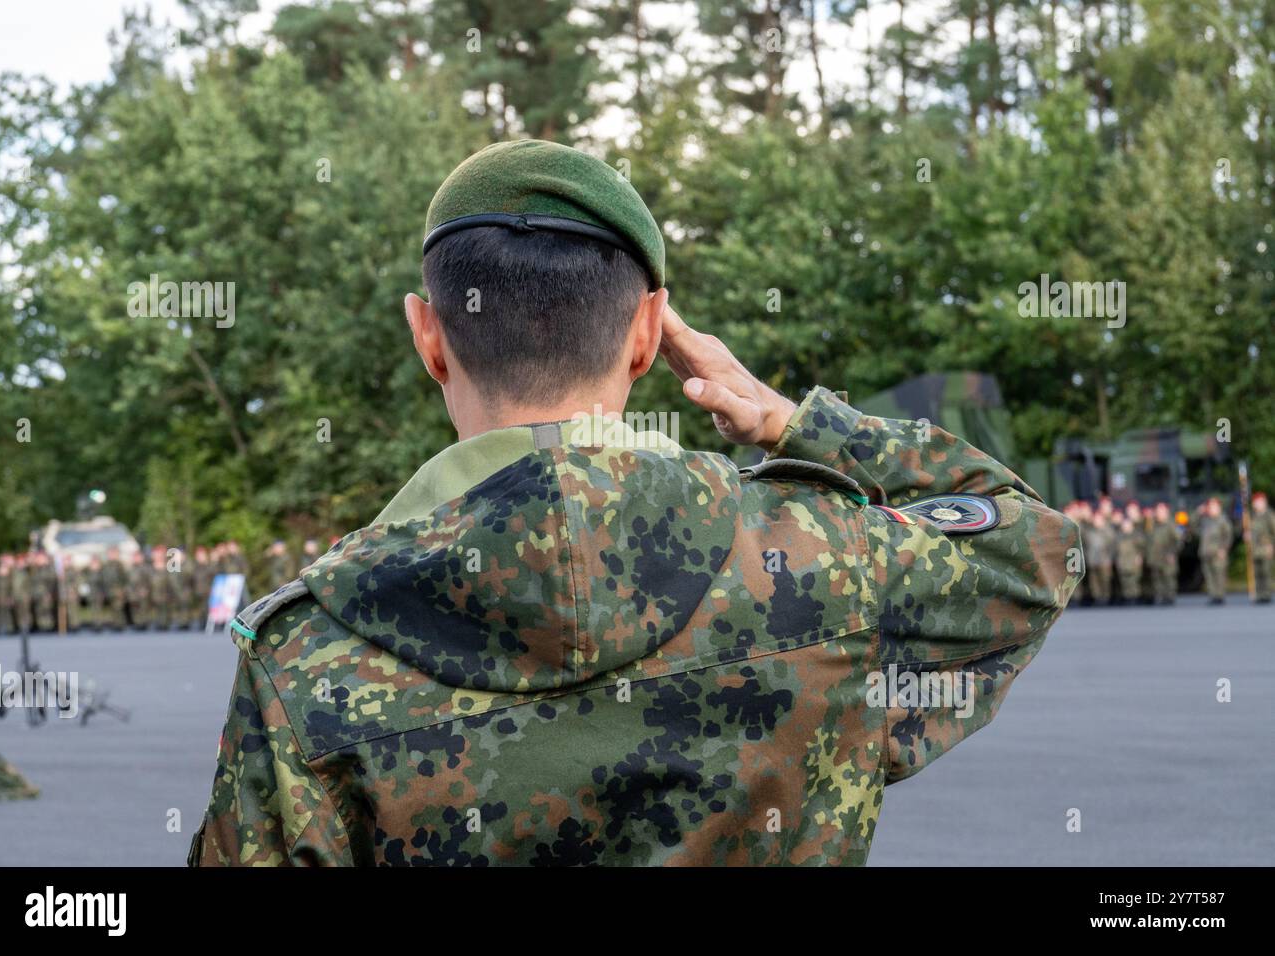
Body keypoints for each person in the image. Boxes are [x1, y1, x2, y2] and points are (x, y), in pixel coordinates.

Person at [190, 140, 1081, 867]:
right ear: (649, 333)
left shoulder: (306, 654)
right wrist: (793, 423)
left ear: (431, 336)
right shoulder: (825, 564)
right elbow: (1036, 550)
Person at [1197, 497, 1233, 605]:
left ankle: (1219, 596)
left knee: (1219, 575)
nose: (1211, 509)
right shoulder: (1205, 520)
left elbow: (1228, 536)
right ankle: (1213, 595)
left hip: (1218, 552)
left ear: (1219, 508)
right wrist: (1198, 513)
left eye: (1214, 506)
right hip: (1206, 552)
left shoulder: (1223, 521)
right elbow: (1193, 528)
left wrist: (1224, 549)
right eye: (1210, 507)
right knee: (1209, 575)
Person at [1146, 502, 1182, 604]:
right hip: (1156, 556)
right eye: (1158, 511)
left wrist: (1172, 552)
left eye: (1162, 511)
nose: (1159, 513)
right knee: (1157, 578)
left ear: (1167, 512)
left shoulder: (1171, 525)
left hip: (1167, 556)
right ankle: (1160, 596)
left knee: (1169, 577)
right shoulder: (1152, 524)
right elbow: (1147, 536)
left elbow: (1178, 540)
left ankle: (1170, 597)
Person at [1247, 492, 1275, 603]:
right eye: (1255, 502)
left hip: (1265, 548)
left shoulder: (1269, 515)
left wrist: (1271, 545)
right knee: (1257, 573)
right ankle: (1259, 595)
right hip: (1254, 549)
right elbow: (1251, 531)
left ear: (1264, 502)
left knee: (1266, 572)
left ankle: (1266, 594)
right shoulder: (1252, 516)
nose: (1257, 504)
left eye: (1259, 502)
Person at [1083, 511, 1115, 604]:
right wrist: (1087, 555)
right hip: (1092, 560)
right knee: (1094, 581)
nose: (1096, 521)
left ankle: (1106, 598)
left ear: (1103, 520)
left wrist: (1110, 557)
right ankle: (1097, 598)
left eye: (1099, 519)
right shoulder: (1089, 532)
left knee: (1105, 580)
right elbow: (1085, 545)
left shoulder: (1108, 531)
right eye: (1095, 519)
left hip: (1104, 560)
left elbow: (1112, 546)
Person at [1114, 516, 1144, 603]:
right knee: (1124, 580)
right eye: (1124, 525)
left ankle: (1134, 597)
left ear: (1131, 526)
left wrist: (1139, 556)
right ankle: (1127, 597)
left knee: (1134, 580)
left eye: (1127, 525)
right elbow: (1116, 550)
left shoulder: (1136, 536)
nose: (1126, 527)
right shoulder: (1119, 536)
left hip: (1133, 561)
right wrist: (1117, 559)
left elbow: (1142, 547)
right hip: (1123, 561)